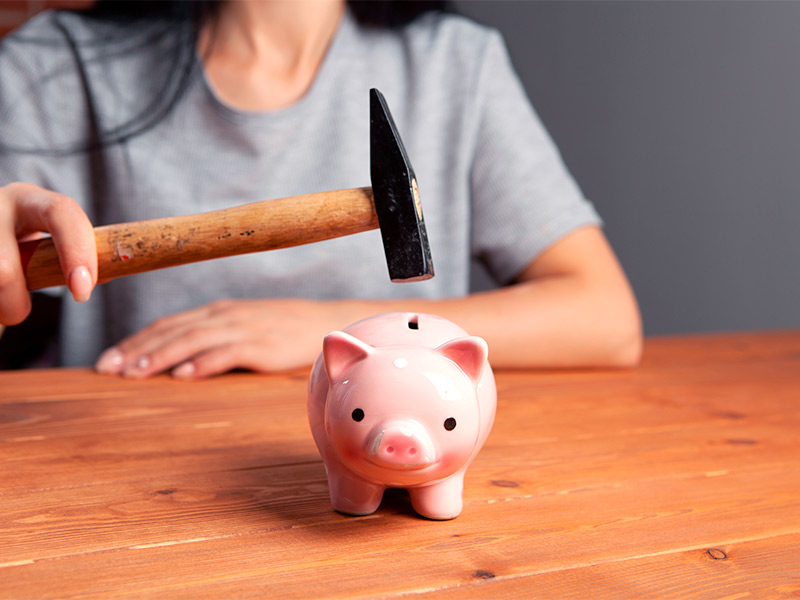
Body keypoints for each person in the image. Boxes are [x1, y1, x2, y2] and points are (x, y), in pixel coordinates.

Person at [0, 0, 642, 378]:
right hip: (127, 480)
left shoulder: (453, 64)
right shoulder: (50, 68)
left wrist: (334, 332)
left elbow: (607, 319)